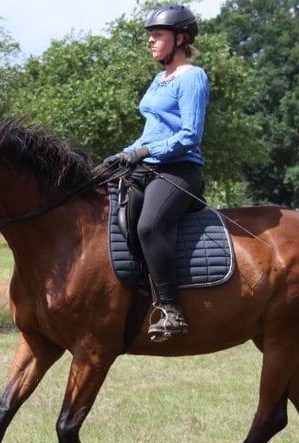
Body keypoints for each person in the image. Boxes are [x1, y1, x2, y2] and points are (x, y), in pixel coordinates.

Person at [104, 4, 209, 342]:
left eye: (158, 35)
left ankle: (171, 309)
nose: (151, 41)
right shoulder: (158, 79)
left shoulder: (192, 77)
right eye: (151, 35)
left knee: (149, 225)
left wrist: (146, 152)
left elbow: (189, 135)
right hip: (147, 167)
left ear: (180, 39)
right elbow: (152, 130)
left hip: (179, 170)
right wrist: (125, 153)